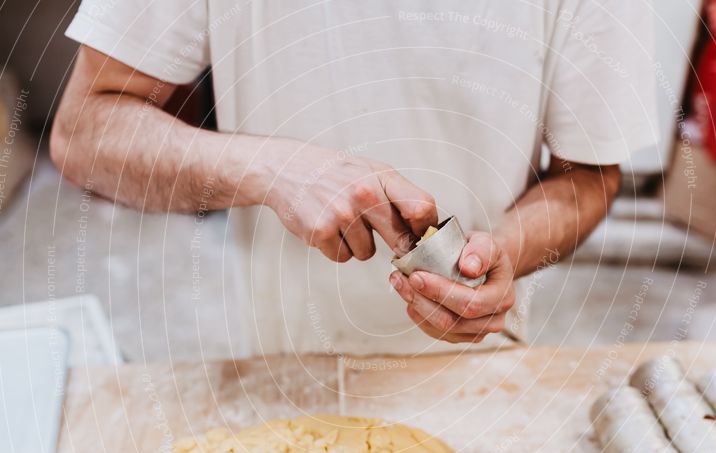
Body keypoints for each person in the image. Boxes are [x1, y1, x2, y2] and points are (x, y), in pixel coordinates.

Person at [51, 1, 657, 356]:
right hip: (282, 356)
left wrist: (500, 258)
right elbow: (85, 129)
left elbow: (587, 175)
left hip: (473, 353)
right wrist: (275, 170)